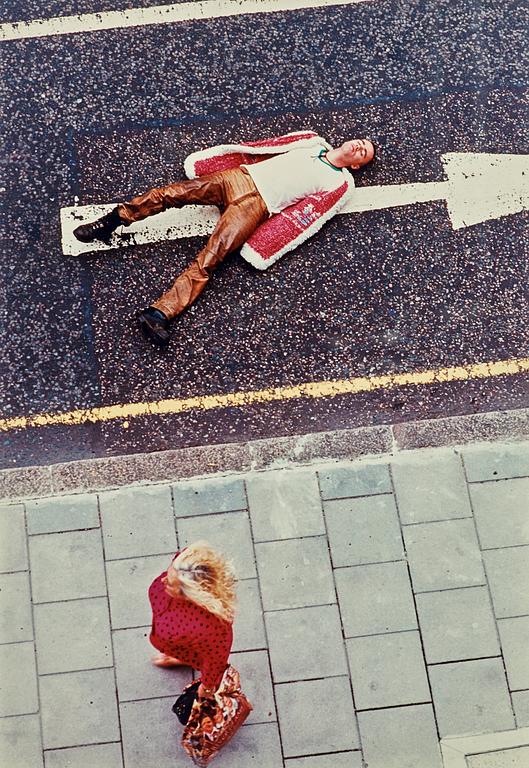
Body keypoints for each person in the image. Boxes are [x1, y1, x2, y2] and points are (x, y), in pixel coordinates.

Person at [73, 132, 375, 347]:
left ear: (356, 166)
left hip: (256, 207)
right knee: (171, 193)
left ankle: (158, 313)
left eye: (364, 152)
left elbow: (307, 217)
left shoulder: (338, 181)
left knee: (210, 259)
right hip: (239, 177)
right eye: (361, 142)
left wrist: (267, 243)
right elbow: (263, 147)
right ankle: (112, 221)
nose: (360, 146)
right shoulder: (311, 142)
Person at [148, 542, 236, 700]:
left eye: (170, 584)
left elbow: (215, 659)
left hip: (186, 644)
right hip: (178, 643)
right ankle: (179, 656)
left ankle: (181, 657)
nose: (163, 581)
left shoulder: (211, 627)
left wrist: (207, 687)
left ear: (190, 593)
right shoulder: (183, 569)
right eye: (168, 573)